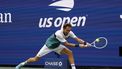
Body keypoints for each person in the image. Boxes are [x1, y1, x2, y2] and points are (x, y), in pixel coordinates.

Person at [15, 23, 90, 69]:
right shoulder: (58, 33)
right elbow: (67, 44)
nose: (69, 31)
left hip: (57, 45)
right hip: (48, 46)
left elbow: (77, 39)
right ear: (63, 29)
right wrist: (79, 46)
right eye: (67, 30)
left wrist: (85, 43)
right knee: (35, 59)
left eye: (70, 30)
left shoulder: (70, 32)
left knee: (70, 53)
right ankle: (22, 64)